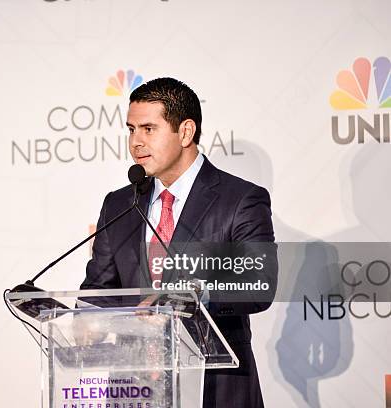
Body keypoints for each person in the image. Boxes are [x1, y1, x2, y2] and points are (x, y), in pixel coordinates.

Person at [81, 77, 277, 407]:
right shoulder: (119, 205)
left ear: (185, 132)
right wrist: (85, 322)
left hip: (216, 387)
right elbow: (98, 292)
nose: (135, 143)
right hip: (135, 389)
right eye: (131, 130)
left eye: (148, 129)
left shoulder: (240, 199)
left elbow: (257, 285)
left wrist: (189, 295)